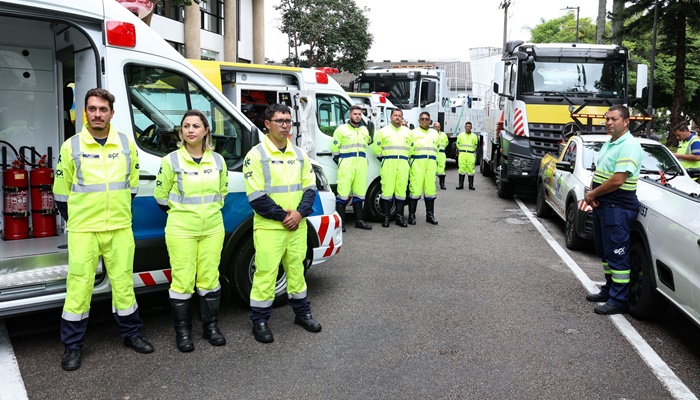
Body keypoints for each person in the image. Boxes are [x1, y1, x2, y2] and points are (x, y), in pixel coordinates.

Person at [53, 88, 154, 371]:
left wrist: (117, 211)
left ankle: (132, 335)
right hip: (85, 228)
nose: (97, 114)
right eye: (92, 108)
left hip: (119, 227)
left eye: (103, 109)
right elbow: (61, 193)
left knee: (124, 284)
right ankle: (72, 347)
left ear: (112, 112)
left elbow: (131, 185)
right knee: (79, 287)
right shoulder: (71, 146)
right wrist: (78, 220)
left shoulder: (125, 144)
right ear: (85, 111)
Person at [243, 104, 321, 343]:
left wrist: (299, 214)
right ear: (267, 124)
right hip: (269, 227)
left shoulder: (299, 154)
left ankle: (302, 314)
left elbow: (310, 188)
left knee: (297, 272)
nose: (285, 125)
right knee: (265, 274)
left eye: (288, 121)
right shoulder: (256, 155)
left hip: (296, 226)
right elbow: (256, 196)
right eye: (279, 121)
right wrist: (284, 217)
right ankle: (260, 321)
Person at [154, 110, 228, 352]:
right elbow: (161, 197)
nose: (191, 130)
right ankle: (184, 333)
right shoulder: (171, 161)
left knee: (209, 279)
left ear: (206, 130)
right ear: (181, 132)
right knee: (183, 281)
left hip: (213, 229)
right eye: (186, 126)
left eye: (196, 125)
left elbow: (222, 193)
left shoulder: (218, 161)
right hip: (181, 230)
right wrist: (183, 216)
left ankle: (211, 328)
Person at [584, 105, 643, 315]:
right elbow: (600, 172)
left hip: (618, 204)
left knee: (617, 253)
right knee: (605, 251)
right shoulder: (610, 143)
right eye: (607, 119)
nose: (609, 122)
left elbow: (618, 180)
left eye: (614, 119)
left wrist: (592, 195)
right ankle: (609, 290)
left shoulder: (629, 145)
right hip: (604, 203)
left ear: (626, 122)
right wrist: (592, 191)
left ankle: (618, 300)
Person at [331, 105, 372, 231]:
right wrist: (342, 162)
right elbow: (335, 150)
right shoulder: (341, 129)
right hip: (346, 164)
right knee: (343, 194)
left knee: (359, 193)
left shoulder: (365, 130)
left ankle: (359, 221)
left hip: (361, 164)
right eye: (355, 114)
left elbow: (368, 142)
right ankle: (341, 223)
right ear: (350, 115)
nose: (357, 116)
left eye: (359, 114)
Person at [373, 108, 412, 228]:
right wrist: (385, 160)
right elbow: (377, 150)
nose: (397, 117)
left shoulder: (408, 132)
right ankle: (386, 217)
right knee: (387, 191)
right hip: (388, 163)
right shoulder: (383, 131)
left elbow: (412, 149)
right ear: (391, 117)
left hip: (403, 163)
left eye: (399, 116)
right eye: (395, 115)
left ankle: (399, 217)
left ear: (402, 118)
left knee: (401, 191)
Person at [407, 112, 439, 225]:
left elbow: (437, 149)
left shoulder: (435, 133)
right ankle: (411, 215)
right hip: (417, 164)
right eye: (422, 119)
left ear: (430, 121)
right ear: (419, 121)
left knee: (430, 190)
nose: (424, 121)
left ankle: (430, 215)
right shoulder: (413, 133)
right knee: (415, 189)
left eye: (427, 119)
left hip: (431, 164)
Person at [455, 122, 478, 190]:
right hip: (462, 154)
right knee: (461, 168)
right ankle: (460, 184)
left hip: (471, 154)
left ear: (471, 127)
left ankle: (471, 185)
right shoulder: (460, 135)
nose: (468, 128)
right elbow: (458, 144)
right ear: (465, 127)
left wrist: (471, 151)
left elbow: (475, 145)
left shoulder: (474, 136)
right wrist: (461, 150)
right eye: (467, 126)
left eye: (469, 126)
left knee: (471, 169)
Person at [433, 122, 449, 190]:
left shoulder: (443, 135)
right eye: (436, 126)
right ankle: (432, 184)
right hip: (433, 153)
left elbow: (446, 142)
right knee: (432, 169)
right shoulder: (431, 134)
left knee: (441, 169)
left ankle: (442, 184)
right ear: (433, 127)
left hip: (441, 154)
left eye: (438, 126)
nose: (437, 128)